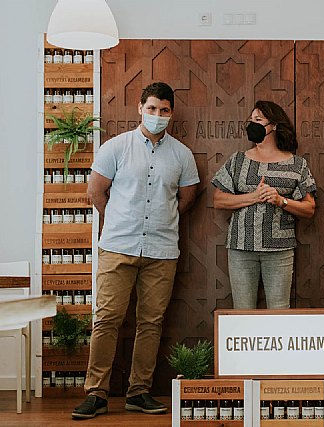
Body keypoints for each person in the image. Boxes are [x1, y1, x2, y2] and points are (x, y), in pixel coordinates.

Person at [72, 82, 200, 419]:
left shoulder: (182, 155)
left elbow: (186, 199)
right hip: (118, 246)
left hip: (161, 249)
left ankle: (138, 392)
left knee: (151, 323)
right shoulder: (116, 147)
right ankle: (96, 393)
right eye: (153, 108)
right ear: (140, 108)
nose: (158, 115)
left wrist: (161, 220)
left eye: (165, 110)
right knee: (106, 319)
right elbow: (96, 191)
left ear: (171, 113)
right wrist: (118, 218)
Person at [211, 100, 316, 309]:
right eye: (250, 121)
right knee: (243, 311)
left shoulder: (297, 164)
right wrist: (255, 196)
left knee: (279, 311)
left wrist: (281, 200)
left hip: (280, 250)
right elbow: (219, 200)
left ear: (274, 126)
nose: (252, 125)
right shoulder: (238, 160)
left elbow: (309, 208)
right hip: (241, 247)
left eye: (258, 120)